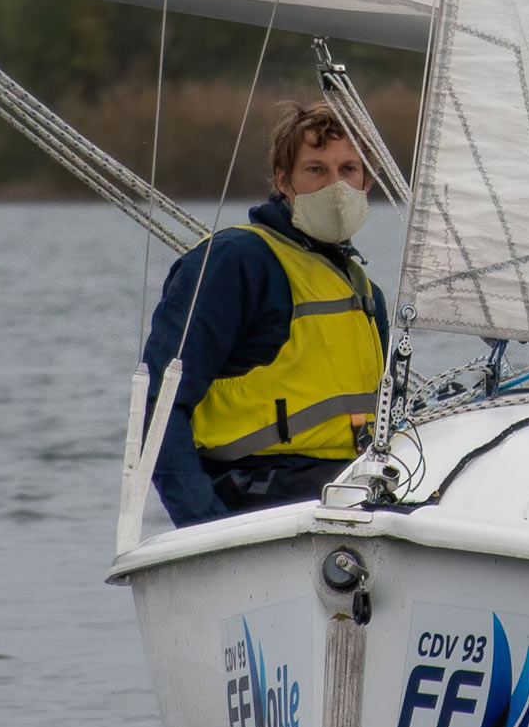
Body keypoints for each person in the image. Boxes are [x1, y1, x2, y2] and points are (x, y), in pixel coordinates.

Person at [142, 102, 390, 527]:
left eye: (348, 170)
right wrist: (205, 527)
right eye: (316, 170)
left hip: (348, 499)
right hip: (258, 503)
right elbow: (160, 405)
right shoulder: (234, 262)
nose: (336, 187)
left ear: (366, 181)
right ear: (283, 181)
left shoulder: (367, 294)